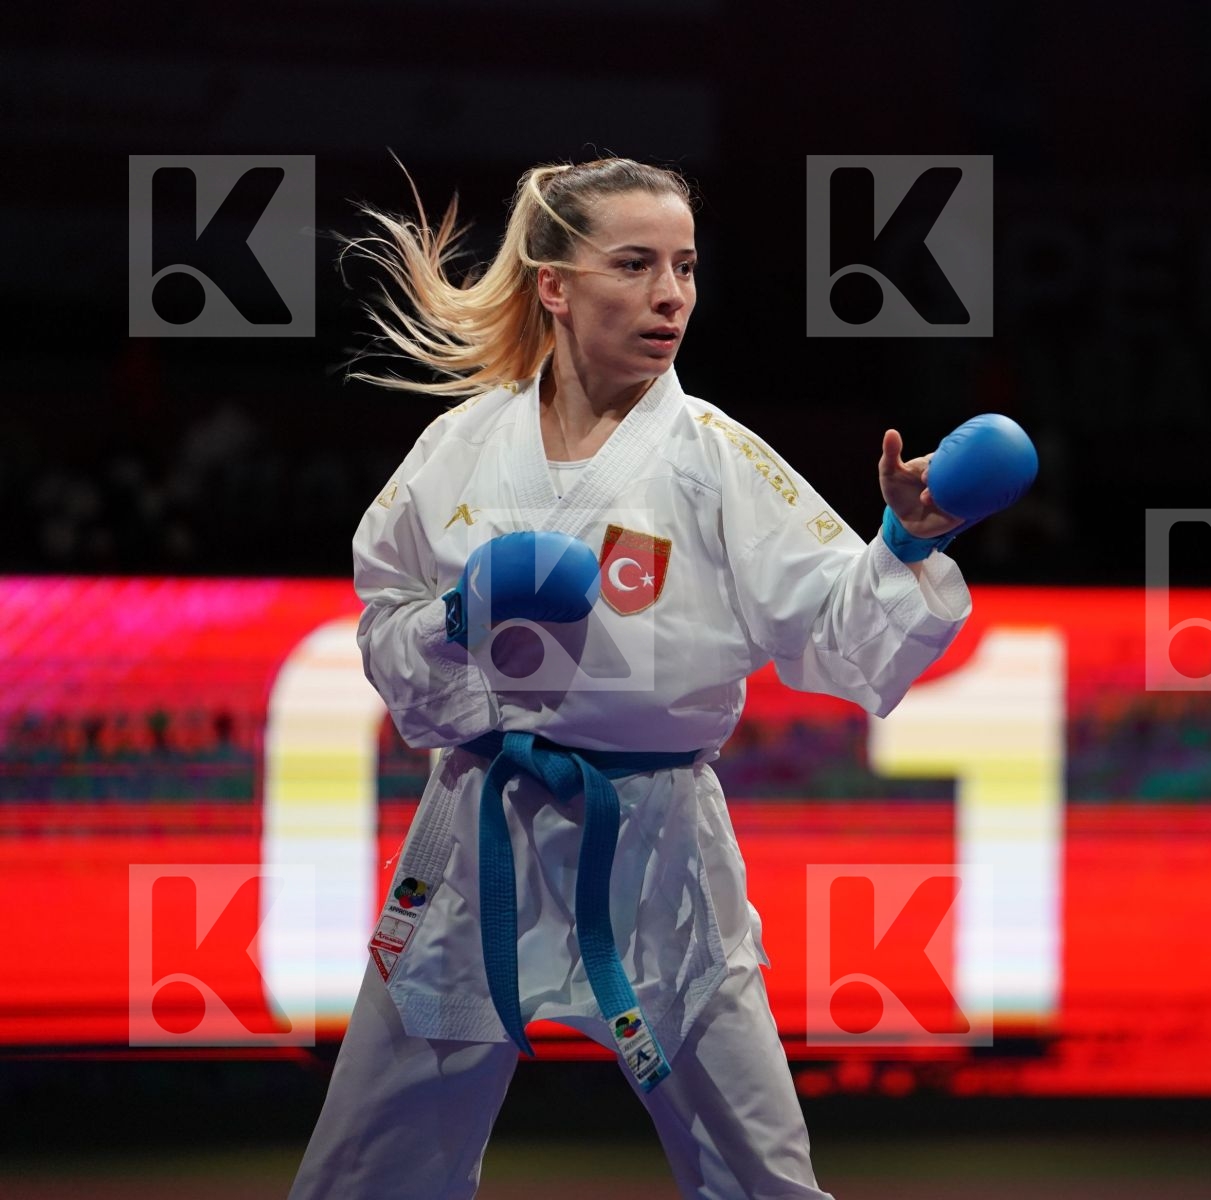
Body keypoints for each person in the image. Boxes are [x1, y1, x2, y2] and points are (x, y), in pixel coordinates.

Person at [290, 157, 991, 1200]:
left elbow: (839, 631)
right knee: (368, 1177)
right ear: (555, 285)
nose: (671, 294)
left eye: (686, 267)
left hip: (658, 846)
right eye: (635, 264)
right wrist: (452, 620)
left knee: (763, 1182)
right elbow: (385, 635)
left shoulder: (715, 458)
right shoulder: (458, 450)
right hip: (484, 824)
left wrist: (903, 542)